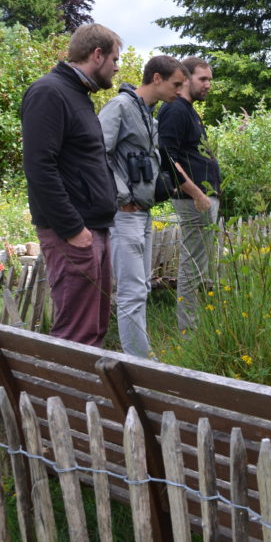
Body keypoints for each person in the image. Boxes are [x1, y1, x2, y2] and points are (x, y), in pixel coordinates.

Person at [100, 55, 212, 356]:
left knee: (142, 289)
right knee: (132, 293)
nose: (180, 90)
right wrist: (120, 197)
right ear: (157, 78)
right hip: (125, 214)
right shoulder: (121, 107)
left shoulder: (148, 116)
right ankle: (140, 366)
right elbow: (97, 154)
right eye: (177, 83)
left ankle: (141, 358)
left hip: (143, 212)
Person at [21, 24, 121, 347]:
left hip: (94, 229)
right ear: (97, 54)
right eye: (115, 59)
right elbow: (39, 168)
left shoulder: (78, 95)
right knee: (75, 336)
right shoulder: (49, 92)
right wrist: (72, 229)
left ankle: (84, 398)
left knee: (94, 331)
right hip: (73, 234)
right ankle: (59, 399)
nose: (117, 67)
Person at [157, 57, 219, 333]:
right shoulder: (175, 110)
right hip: (192, 201)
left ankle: (192, 327)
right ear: (185, 78)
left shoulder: (189, 110)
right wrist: (197, 193)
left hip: (200, 200)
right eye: (203, 79)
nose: (209, 85)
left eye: (210, 79)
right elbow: (167, 157)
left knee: (199, 265)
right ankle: (188, 332)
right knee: (192, 267)